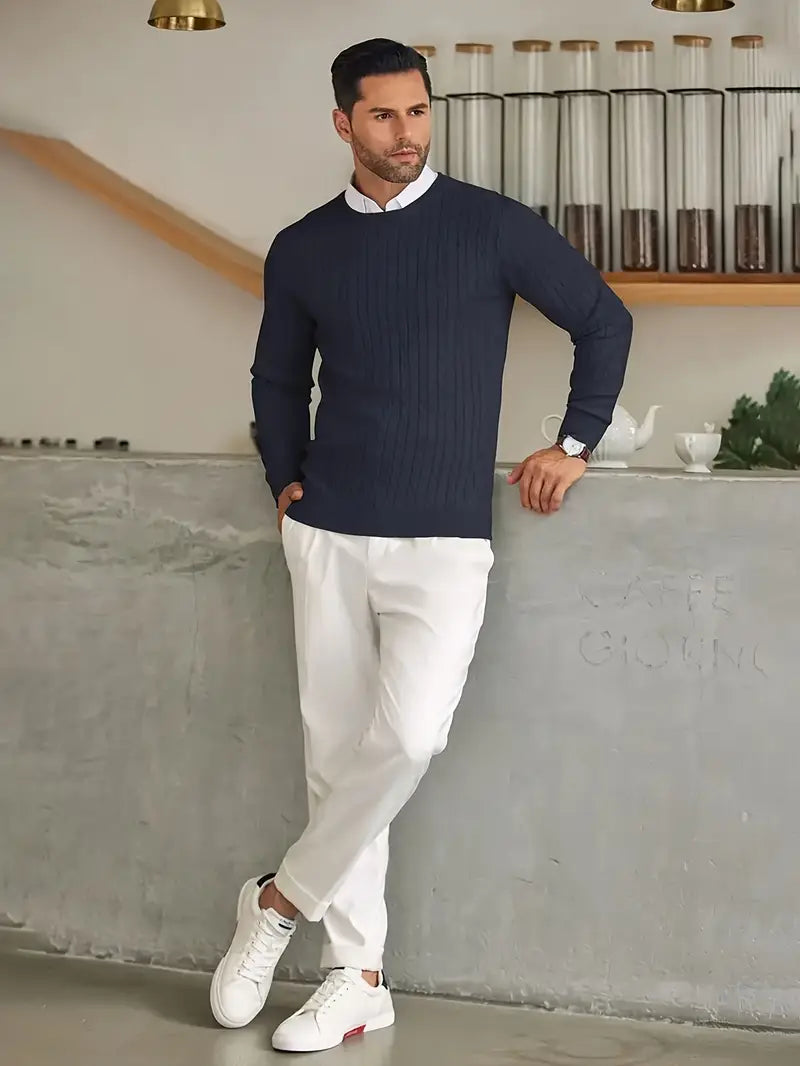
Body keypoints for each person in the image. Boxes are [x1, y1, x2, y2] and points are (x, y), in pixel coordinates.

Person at [210, 37, 633, 1055]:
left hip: (443, 538)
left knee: (406, 742)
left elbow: (602, 320)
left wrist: (574, 443)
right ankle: (356, 979)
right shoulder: (303, 247)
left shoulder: (489, 226)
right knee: (335, 759)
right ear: (343, 122)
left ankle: (276, 901)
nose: (406, 133)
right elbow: (277, 378)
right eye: (384, 115)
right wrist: (285, 479)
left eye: (418, 111)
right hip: (327, 531)